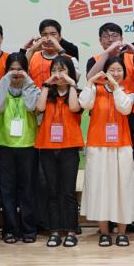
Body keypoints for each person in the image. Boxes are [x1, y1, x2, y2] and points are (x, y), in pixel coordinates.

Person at [79, 56, 134, 247]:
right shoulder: (95, 90)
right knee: (100, 188)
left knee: (123, 188)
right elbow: (84, 104)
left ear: (125, 73)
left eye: (119, 70)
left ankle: (121, 232)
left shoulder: (128, 92)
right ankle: (104, 232)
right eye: (112, 70)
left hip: (121, 147)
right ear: (104, 72)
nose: (116, 73)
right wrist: (90, 81)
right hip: (98, 146)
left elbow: (125, 109)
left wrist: (115, 87)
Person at [0, 53, 39, 244]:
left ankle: (29, 229)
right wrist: (5, 80)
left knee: (27, 189)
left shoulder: (32, 88)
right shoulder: (1, 88)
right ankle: (10, 229)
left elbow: (31, 106)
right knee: (7, 190)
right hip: (4, 144)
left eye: (20, 69)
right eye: (12, 69)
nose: (16, 73)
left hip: (28, 144)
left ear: (26, 71)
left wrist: (28, 82)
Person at [35, 55, 83, 248]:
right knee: (52, 191)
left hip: (69, 147)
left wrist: (71, 84)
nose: (58, 74)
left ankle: (71, 230)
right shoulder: (47, 92)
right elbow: (39, 108)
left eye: (62, 70)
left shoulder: (77, 92)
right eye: (54, 70)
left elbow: (74, 107)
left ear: (70, 72)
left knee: (68, 191)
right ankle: (54, 231)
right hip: (47, 146)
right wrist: (47, 85)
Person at [86, 22, 134, 94]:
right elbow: (90, 79)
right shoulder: (94, 60)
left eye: (114, 36)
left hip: (129, 99)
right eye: (106, 36)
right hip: (103, 100)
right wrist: (107, 53)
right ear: (100, 41)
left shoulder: (133, 58)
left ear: (121, 39)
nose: (110, 39)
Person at [26, 19, 80, 88]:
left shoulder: (70, 59)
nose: (49, 38)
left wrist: (60, 49)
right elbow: (21, 73)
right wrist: (32, 50)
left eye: (53, 34)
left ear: (60, 37)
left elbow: (75, 79)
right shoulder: (32, 56)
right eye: (44, 35)